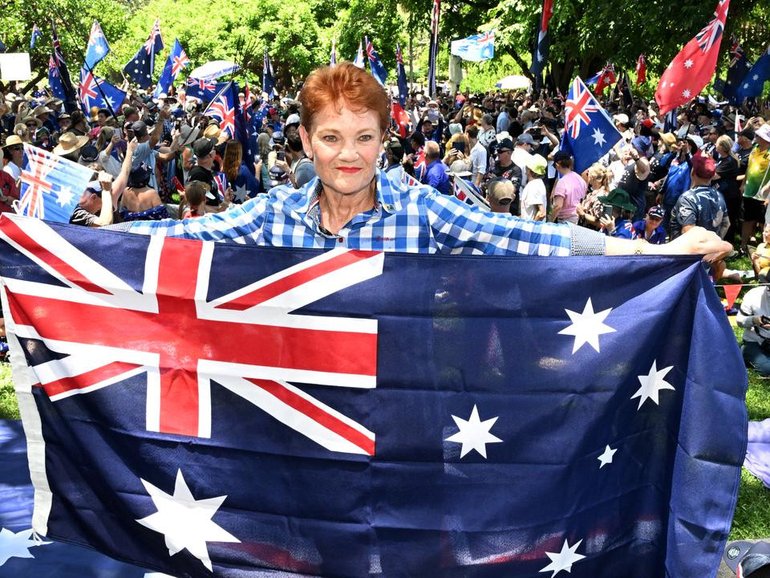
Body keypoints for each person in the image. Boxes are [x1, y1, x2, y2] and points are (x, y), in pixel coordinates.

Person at [120, 62, 731, 261]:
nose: (348, 154)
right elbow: (187, 233)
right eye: (331, 138)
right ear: (305, 143)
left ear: (385, 139)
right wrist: (64, 241)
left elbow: (526, 237)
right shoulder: (272, 211)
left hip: (399, 420)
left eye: (364, 136)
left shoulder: (421, 208)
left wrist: (655, 253)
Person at [737, 285, 770, 377]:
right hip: (755, 341)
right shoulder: (754, 294)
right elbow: (739, 320)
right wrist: (754, 320)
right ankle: (744, 351)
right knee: (767, 369)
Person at [549, 151, 586, 224]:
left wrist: (550, 221)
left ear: (557, 165)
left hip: (565, 220)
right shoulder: (580, 179)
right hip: (578, 218)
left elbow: (558, 206)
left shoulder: (562, 182)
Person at [519, 154, 547, 221]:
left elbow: (542, 213)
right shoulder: (538, 183)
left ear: (529, 169)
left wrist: (532, 226)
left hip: (530, 228)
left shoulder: (533, 186)